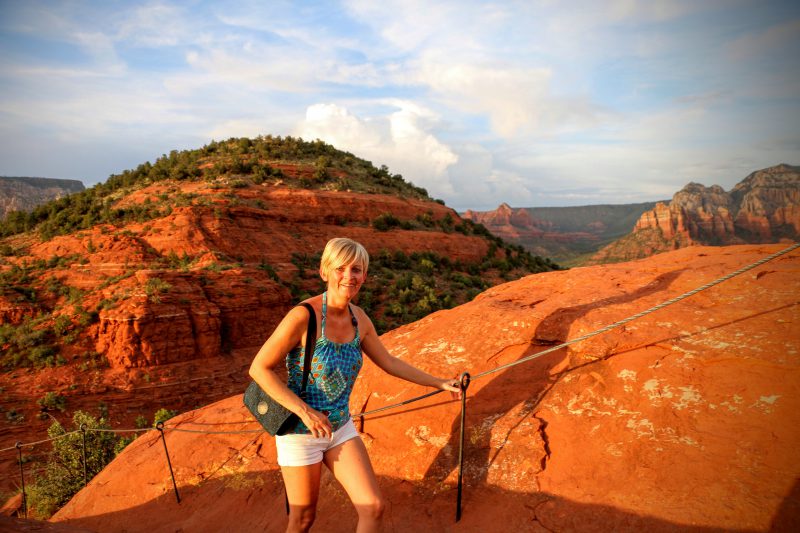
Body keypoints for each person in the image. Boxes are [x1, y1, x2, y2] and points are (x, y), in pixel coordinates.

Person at [249, 237, 461, 533]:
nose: (349, 277)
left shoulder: (360, 319)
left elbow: (389, 362)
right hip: (300, 432)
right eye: (340, 268)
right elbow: (259, 368)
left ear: (365, 276)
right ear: (324, 271)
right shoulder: (303, 316)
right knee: (303, 519)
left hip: (340, 428)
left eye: (357, 270)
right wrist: (305, 412)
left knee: (373, 507)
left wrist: (439, 383)